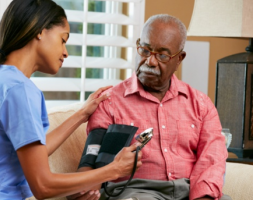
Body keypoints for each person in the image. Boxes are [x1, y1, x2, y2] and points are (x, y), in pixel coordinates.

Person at [0, 0, 143, 199]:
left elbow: (31, 153)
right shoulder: (18, 89)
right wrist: (114, 169)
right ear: (40, 31)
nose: (65, 52)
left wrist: (82, 114)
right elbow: (42, 186)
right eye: (63, 39)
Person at [69, 14, 231, 200]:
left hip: (190, 191)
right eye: (145, 50)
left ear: (179, 59)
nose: (150, 61)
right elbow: (91, 160)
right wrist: (83, 189)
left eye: (162, 55)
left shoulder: (201, 104)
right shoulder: (109, 101)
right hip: (135, 192)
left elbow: (212, 160)